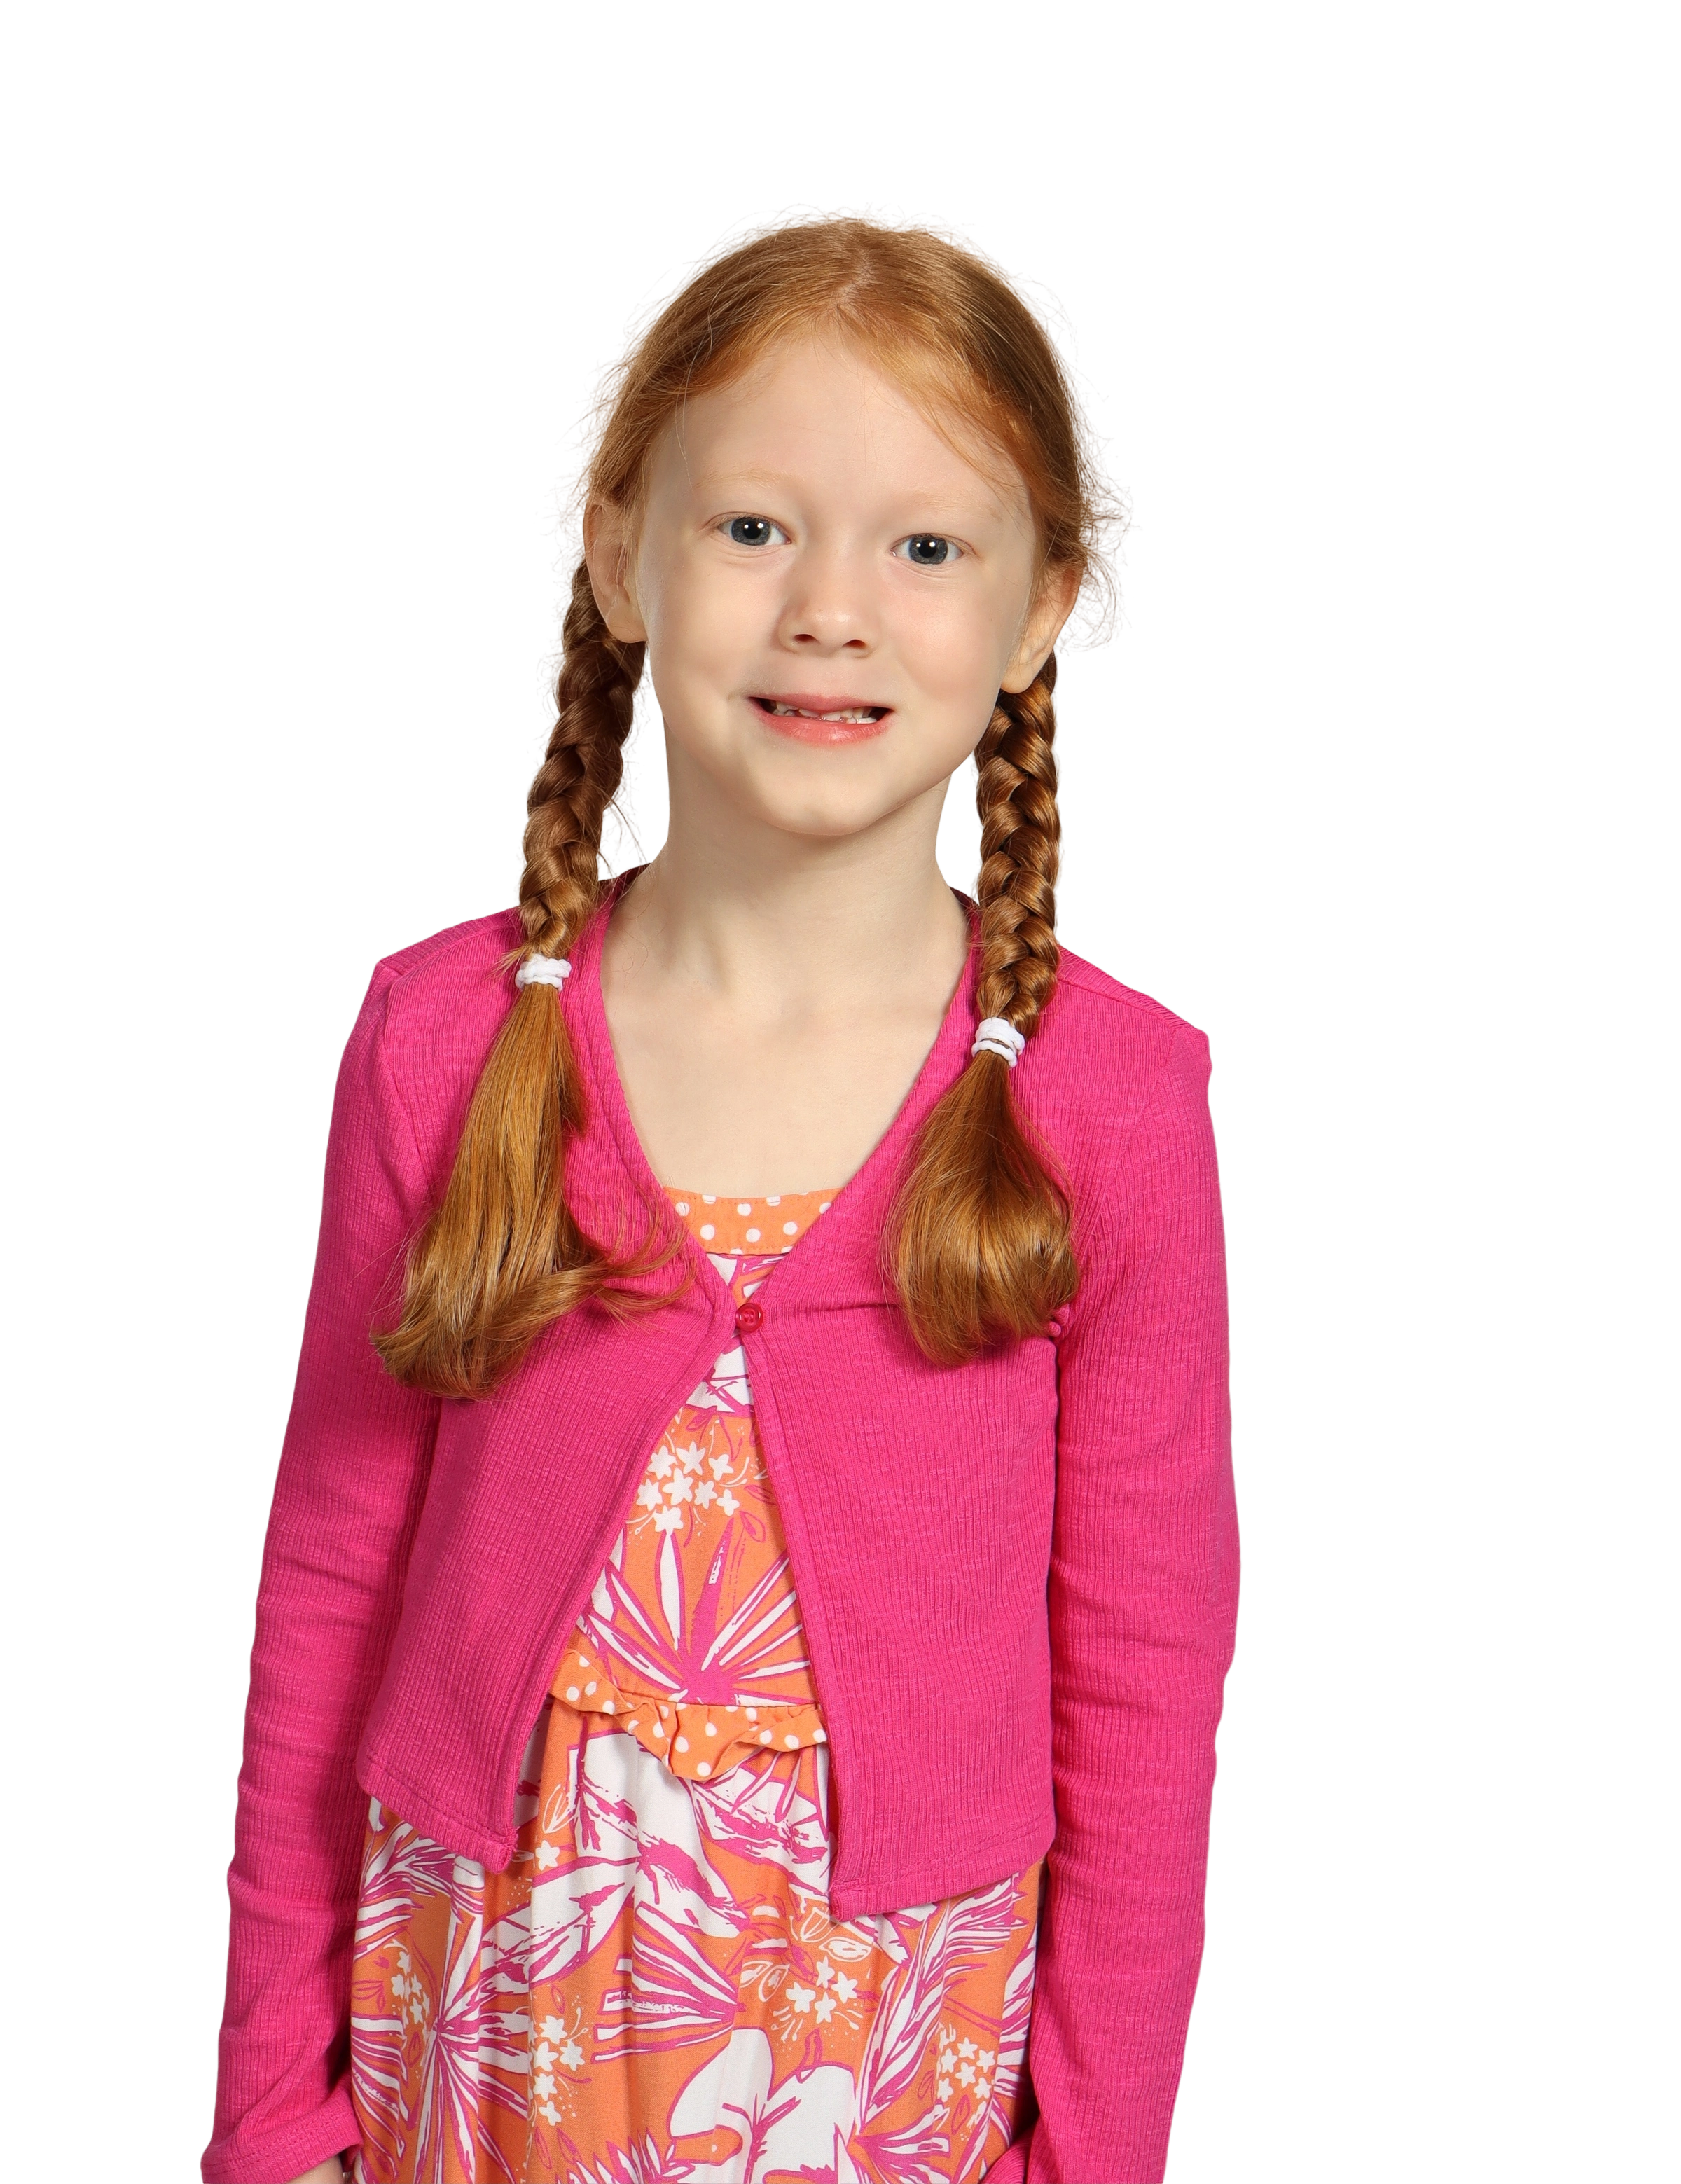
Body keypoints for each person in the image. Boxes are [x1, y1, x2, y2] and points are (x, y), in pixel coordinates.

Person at [201, 200, 1241, 2184]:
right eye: (755, 526)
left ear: (1039, 609)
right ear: (618, 555)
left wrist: (1098, 2155)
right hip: (477, 2045)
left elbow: (1146, 1672)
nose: (830, 609)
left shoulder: (1111, 1099)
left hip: (895, 2061)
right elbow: (328, 1581)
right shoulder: (442, 1036)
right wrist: (268, 2111)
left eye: (925, 547)